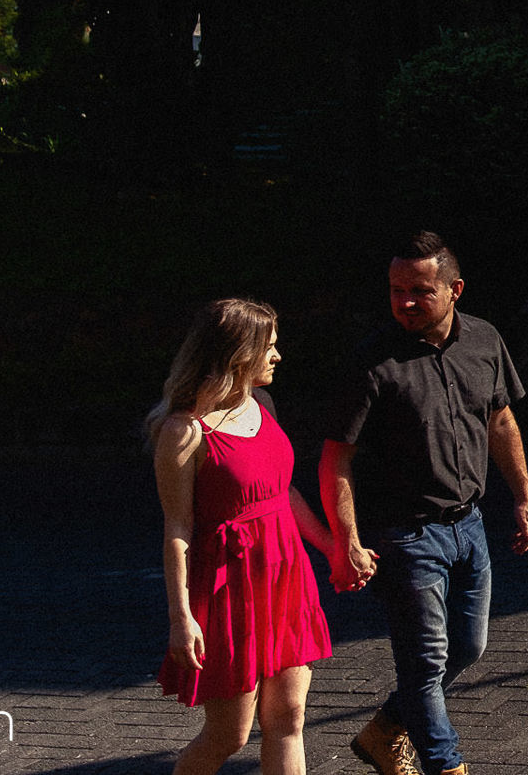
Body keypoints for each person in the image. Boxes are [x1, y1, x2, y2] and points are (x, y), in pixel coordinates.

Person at [321, 231, 528, 775]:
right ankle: (447, 766)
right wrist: (345, 540)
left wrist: (523, 496)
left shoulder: (485, 341)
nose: (405, 302)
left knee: (468, 647)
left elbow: (500, 420)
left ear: (454, 289)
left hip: (470, 525)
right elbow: (335, 459)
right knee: (424, 664)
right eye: (396, 290)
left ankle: (383, 731)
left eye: (419, 290)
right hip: (405, 535)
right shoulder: (372, 361)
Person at [150, 298, 336, 775]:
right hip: (230, 589)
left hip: (285, 577)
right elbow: (177, 528)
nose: (277, 357)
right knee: (229, 734)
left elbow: (282, 491)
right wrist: (181, 618)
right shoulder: (183, 431)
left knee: (289, 717)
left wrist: (332, 546)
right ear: (237, 353)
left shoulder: (263, 404)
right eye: (269, 347)